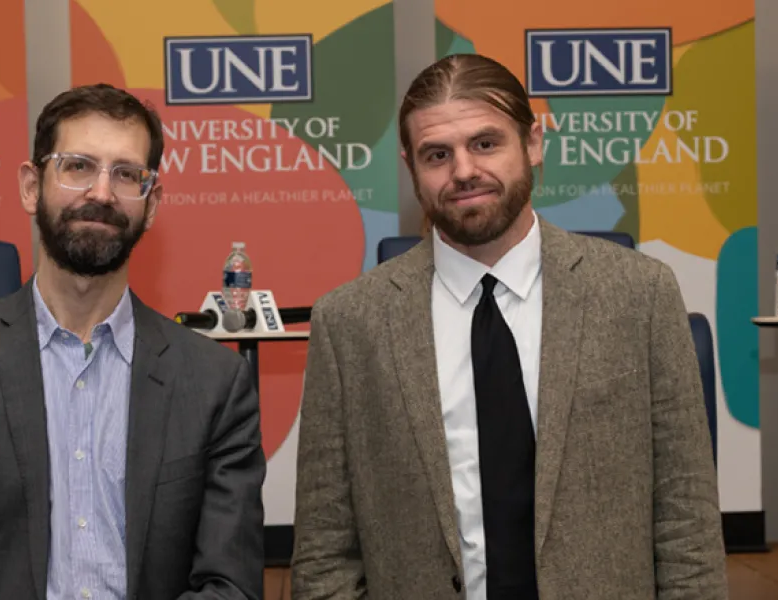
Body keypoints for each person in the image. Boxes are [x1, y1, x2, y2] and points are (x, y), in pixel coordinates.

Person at [289, 54, 727, 599]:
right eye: (437, 155)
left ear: (534, 143)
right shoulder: (351, 321)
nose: (464, 171)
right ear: (411, 169)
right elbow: (325, 544)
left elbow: (687, 514)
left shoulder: (639, 294)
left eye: (486, 143)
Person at [0, 84, 265, 600]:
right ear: (31, 186)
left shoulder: (214, 382)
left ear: (151, 204)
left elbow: (230, 585)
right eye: (78, 166)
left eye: (127, 174)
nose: (103, 193)